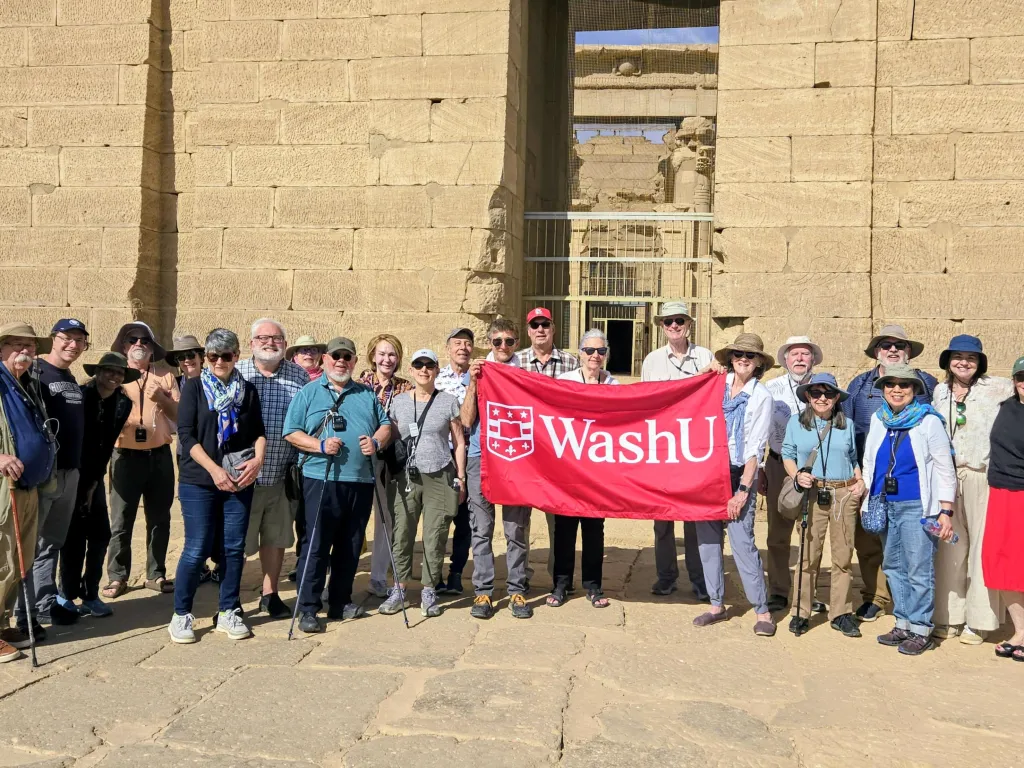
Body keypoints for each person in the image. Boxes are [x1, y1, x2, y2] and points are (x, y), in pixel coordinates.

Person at [283, 337, 391, 634]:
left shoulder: (366, 394)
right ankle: (308, 607)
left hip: (360, 481)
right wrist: (319, 445)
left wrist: (376, 441)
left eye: (347, 356)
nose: (341, 361)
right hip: (321, 479)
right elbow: (291, 432)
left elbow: (385, 425)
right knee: (316, 544)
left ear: (354, 361)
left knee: (351, 543)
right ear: (325, 360)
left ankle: (340, 601)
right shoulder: (309, 392)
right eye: (336, 356)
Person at [169, 329, 266, 644]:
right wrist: (214, 471)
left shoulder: (247, 390)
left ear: (236, 356)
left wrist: (258, 461)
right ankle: (181, 614)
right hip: (200, 480)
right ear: (206, 358)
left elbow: (258, 432)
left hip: (238, 478)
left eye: (226, 355)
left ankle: (228, 610)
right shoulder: (194, 388)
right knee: (196, 548)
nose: (220, 361)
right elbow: (187, 435)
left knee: (233, 548)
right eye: (213, 356)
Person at [843, 324, 938, 624]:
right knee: (870, 541)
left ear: (909, 352)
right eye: (886, 345)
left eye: (899, 345)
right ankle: (876, 596)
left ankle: (913, 611)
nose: (893, 350)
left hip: (913, 481)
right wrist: (857, 474)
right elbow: (848, 431)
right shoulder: (859, 385)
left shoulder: (927, 383)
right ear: (876, 352)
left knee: (913, 549)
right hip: (870, 477)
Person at [862, 362, 955, 655]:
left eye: (904, 385)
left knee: (918, 568)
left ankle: (921, 628)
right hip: (884, 502)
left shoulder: (928, 421)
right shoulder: (879, 419)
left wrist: (946, 511)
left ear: (914, 389)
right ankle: (902, 623)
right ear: (883, 390)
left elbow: (944, 467)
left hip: (917, 505)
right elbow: (870, 460)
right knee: (893, 565)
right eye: (890, 384)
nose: (897, 389)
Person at [692, 333, 776, 637]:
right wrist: (705, 372)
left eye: (750, 355)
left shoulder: (761, 396)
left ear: (758, 363)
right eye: (738, 353)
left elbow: (756, 447)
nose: (743, 359)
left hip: (740, 472)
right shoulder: (716, 385)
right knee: (708, 541)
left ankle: (762, 610)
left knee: (742, 542)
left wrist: (742, 490)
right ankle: (716, 604)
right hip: (709, 471)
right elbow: (686, 397)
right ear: (730, 357)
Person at [932, 336, 1011, 644]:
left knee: (982, 548)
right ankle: (948, 616)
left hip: (982, 476)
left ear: (980, 362)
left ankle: (979, 621)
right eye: (958, 356)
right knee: (949, 546)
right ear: (948, 360)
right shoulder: (940, 392)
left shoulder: (998, 388)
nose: (964, 362)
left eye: (971, 357)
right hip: (948, 478)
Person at [380, 349, 466, 619]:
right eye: (419, 365)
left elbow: (459, 441)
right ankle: (399, 588)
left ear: (437, 370)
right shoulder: (399, 402)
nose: (424, 370)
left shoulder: (448, 401)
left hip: (440, 473)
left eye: (430, 365)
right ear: (412, 369)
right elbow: (391, 436)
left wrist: (461, 476)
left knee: (435, 534)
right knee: (402, 532)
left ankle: (429, 589)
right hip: (406, 476)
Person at [16, 319, 88, 632]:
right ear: (53, 339)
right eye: (67, 338)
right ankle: (23, 610)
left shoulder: (69, 377)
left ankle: (44, 603)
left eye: (79, 340)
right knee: (31, 543)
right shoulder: (34, 372)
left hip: (70, 471)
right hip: (45, 472)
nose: (73, 345)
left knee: (51, 542)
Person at [640, 301, 713, 601]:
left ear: (688, 324)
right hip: (664, 448)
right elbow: (645, 403)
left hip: (695, 448)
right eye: (668, 321)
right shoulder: (652, 361)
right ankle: (666, 576)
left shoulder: (705, 357)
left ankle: (700, 579)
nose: (674, 325)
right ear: (661, 325)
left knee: (695, 519)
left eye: (679, 320)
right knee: (662, 518)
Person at [782, 373, 864, 637]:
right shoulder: (796, 423)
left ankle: (841, 613)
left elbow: (852, 457)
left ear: (836, 397)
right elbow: (787, 453)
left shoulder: (847, 424)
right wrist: (797, 475)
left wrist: (860, 481)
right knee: (808, 555)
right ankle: (801, 611)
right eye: (816, 393)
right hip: (812, 493)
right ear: (808, 396)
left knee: (843, 556)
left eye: (828, 393)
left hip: (843, 493)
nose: (822, 398)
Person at [237, 319, 309, 619]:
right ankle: (231, 598)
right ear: (251, 343)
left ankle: (270, 594)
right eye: (263, 338)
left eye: (277, 338)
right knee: (237, 542)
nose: (270, 343)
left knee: (276, 539)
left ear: (285, 344)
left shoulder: (299, 375)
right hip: (242, 477)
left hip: (281, 473)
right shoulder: (237, 371)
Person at [462, 318, 533, 619]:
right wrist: (473, 382)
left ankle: (517, 589)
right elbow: (467, 420)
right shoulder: (480, 372)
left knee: (516, 529)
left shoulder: (526, 373)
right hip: (481, 456)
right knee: (482, 529)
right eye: (497, 341)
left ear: (517, 342)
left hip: (517, 458)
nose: (503, 346)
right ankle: (483, 592)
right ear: (489, 343)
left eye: (509, 341)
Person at [103, 322, 179, 599]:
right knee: (121, 520)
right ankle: (117, 576)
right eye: (132, 340)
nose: (139, 344)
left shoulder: (166, 376)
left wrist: (161, 398)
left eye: (144, 341)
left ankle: (155, 573)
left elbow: (179, 416)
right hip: (124, 455)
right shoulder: (115, 375)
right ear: (124, 346)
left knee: (160, 518)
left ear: (152, 348)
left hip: (159, 455)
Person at [58, 353, 136, 619]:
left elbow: (107, 443)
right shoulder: (79, 397)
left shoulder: (123, 403)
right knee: (73, 538)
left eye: (119, 373)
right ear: (98, 372)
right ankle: (67, 594)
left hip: (95, 477)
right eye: (109, 371)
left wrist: (94, 482)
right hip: (73, 474)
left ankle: (90, 593)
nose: (114, 377)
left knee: (101, 535)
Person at [546, 330, 617, 609]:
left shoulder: (613, 384)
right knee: (564, 527)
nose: (595, 356)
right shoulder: (565, 381)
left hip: (598, 468)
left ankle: (593, 586)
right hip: (569, 466)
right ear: (580, 353)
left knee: (594, 528)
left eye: (600, 351)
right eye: (589, 351)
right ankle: (561, 584)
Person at [0, 323, 54, 661]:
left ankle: (2, 623)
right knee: (2, 558)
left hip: (28, 486)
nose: (25, 351)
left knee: (20, 559)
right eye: (17, 344)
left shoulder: (26, 383)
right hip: (5, 487)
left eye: (30, 346)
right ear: (1, 349)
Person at [515, 307, 579, 587]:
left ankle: (559, 578)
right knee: (520, 520)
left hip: (558, 452)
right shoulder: (515, 362)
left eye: (545, 324)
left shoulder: (571, 362)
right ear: (528, 331)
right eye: (535, 325)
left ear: (553, 328)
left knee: (559, 520)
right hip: (525, 451)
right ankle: (520, 577)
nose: (540, 329)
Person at [764, 335, 823, 613]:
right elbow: (758, 430)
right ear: (785, 360)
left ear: (813, 359)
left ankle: (808, 591)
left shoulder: (825, 387)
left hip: (816, 468)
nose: (800, 358)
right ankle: (778, 589)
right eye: (794, 354)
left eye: (805, 354)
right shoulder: (771, 388)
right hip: (778, 465)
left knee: (812, 533)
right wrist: (761, 468)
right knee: (778, 531)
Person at [357, 334, 412, 599]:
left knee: (385, 518)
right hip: (359, 457)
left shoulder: (406, 387)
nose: (387, 359)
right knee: (354, 517)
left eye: (392, 354)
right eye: (382, 354)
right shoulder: (359, 385)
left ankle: (378, 577)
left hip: (389, 460)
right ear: (372, 356)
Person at [984, 354, 1024, 662]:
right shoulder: (1004, 407)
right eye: (1022, 378)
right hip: (1000, 492)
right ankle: (1020, 630)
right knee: (1000, 562)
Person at [434, 328, 475, 595]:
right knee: (439, 518)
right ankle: (434, 573)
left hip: (471, 454)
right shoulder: (436, 379)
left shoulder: (480, 378)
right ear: (448, 348)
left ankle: (457, 572)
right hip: (442, 454)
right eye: (457, 343)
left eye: (467, 343)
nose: (462, 348)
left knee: (465, 520)